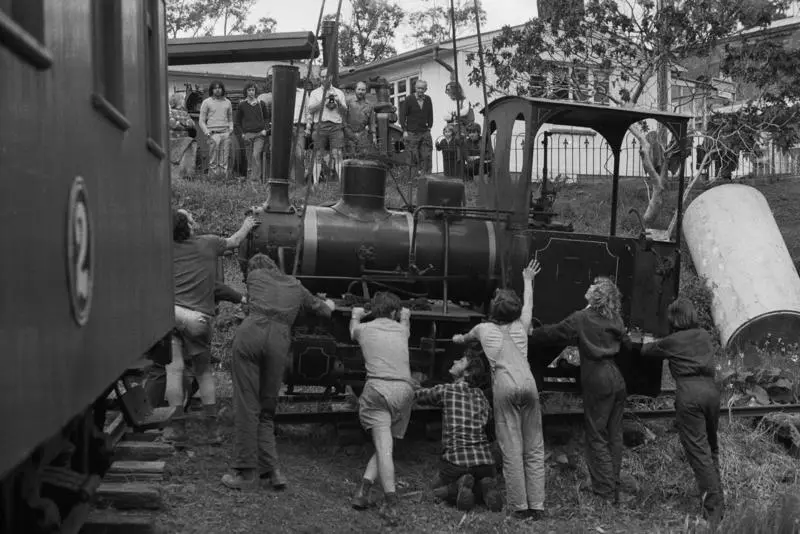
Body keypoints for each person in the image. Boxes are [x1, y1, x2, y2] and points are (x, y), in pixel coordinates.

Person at [221, 254, 335, 490]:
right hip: (279, 342)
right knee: (267, 409)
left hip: (252, 335)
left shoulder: (254, 275)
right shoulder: (295, 284)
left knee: (246, 404)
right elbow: (322, 310)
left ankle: (245, 471)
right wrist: (329, 305)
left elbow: (251, 302)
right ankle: (272, 471)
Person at [452, 260, 546, 521]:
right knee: (534, 446)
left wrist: (456, 339)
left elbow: (465, 338)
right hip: (528, 384)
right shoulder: (522, 326)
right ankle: (537, 505)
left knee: (512, 448)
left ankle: (519, 507)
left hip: (504, 386)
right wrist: (528, 280)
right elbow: (529, 305)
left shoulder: (483, 329)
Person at [528, 276, 628, 504]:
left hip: (598, 379)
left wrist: (532, 333)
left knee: (596, 436)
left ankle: (604, 494)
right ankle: (614, 489)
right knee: (615, 436)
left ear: (595, 296)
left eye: (592, 287)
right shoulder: (616, 319)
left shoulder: (582, 318)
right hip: (617, 377)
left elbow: (556, 332)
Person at [166, 208, 257, 444]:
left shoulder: (165, 249)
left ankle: (176, 430)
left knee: (174, 371)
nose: (195, 220)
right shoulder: (208, 243)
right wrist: (248, 223)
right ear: (188, 226)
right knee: (203, 372)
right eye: (191, 218)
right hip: (198, 320)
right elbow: (236, 241)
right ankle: (212, 430)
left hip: (171, 315)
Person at [635, 298, 724, 523]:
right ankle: (719, 502)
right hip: (712, 393)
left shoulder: (672, 341)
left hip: (690, 393)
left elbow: (645, 351)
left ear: (674, 319)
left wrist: (640, 341)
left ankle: (712, 514)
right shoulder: (704, 335)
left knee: (698, 452)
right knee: (711, 448)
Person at [414, 343, 504, 513]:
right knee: (479, 478)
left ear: (468, 372)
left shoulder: (447, 390)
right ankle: (484, 488)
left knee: (432, 490)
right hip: (485, 462)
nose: (455, 360)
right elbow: (489, 421)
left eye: (461, 360)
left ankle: (455, 488)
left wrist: (414, 383)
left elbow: (419, 396)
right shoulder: (482, 397)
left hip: (457, 462)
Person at [349, 293, 415, 520]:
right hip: (405, 391)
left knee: (384, 447)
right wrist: (405, 316)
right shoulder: (401, 330)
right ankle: (362, 491)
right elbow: (405, 325)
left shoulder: (364, 329)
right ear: (394, 313)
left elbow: (353, 329)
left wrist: (356, 315)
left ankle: (391, 503)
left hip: (378, 390)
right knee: (385, 445)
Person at [305, 73, 348, 185]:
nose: (325, 79)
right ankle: (315, 184)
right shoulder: (315, 93)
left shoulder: (339, 92)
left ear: (331, 77)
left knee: (337, 154)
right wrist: (323, 100)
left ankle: (341, 184)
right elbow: (310, 109)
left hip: (336, 126)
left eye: (327, 76)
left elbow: (344, 111)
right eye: (322, 77)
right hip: (320, 125)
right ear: (320, 78)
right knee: (318, 154)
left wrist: (338, 101)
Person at [236, 81, 270, 183]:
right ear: (246, 92)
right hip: (247, 135)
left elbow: (267, 118)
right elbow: (237, 122)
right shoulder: (242, 105)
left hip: (259, 134)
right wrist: (242, 134)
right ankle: (251, 180)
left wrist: (265, 129)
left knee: (256, 155)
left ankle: (256, 180)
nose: (251, 92)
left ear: (256, 91)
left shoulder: (261, 104)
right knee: (249, 158)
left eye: (253, 90)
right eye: (249, 90)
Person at [199, 81, 234, 178]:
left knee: (224, 160)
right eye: (215, 88)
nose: (217, 90)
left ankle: (223, 182)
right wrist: (207, 133)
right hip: (213, 134)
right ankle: (213, 182)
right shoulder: (206, 102)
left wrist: (231, 128)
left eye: (219, 88)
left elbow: (230, 119)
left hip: (225, 134)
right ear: (212, 90)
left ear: (222, 89)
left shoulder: (228, 102)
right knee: (213, 161)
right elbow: (201, 121)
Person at [400, 79, 433, 175]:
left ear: (426, 89)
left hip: (425, 132)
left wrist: (430, 127)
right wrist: (404, 130)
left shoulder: (428, 99)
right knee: (412, 156)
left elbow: (430, 114)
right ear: (415, 88)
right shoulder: (409, 99)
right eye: (418, 88)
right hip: (411, 132)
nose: (420, 90)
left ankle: (426, 178)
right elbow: (402, 115)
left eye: (422, 88)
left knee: (426, 155)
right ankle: (412, 180)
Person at [168, 92, 198, 180]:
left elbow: (173, 123)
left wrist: (179, 125)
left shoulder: (172, 113)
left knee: (175, 161)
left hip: (174, 140)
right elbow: (190, 124)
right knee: (181, 161)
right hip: (181, 141)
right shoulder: (185, 114)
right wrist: (185, 126)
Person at [345, 81, 377, 157]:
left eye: (363, 90)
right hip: (349, 134)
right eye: (359, 89)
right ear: (355, 90)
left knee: (363, 157)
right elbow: (342, 118)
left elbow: (372, 122)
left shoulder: (369, 105)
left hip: (362, 134)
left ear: (365, 91)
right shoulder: (348, 101)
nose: (361, 92)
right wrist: (348, 132)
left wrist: (374, 136)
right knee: (350, 157)